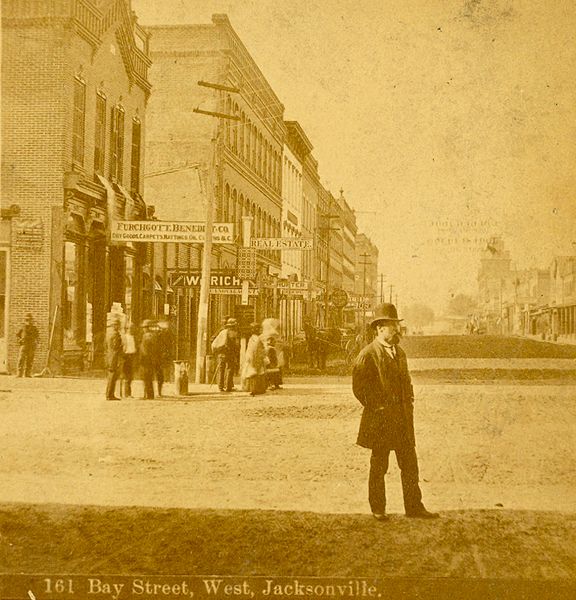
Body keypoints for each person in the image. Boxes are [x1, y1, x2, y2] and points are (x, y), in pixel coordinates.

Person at [352, 303, 439, 521]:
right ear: (379, 328)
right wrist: (377, 406)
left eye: (396, 326)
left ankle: (414, 506)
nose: (396, 330)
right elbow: (359, 388)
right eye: (392, 326)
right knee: (379, 465)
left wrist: (408, 400)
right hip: (380, 420)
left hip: (401, 419)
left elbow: (406, 382)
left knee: (410, 465)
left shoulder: (400, 353)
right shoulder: (368, 354)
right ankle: (378, 508)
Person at [211, 317, 239, 392]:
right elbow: (235, 345)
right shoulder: (233, 333)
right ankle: (228, 387)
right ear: (233, 326)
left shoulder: (222, 332)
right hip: (229, 353)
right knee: (230, 369)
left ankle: (220, 387)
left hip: (221, 353)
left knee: (221, 369)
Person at [241, 322, 267, 396]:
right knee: (256, 374)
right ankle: (255, 390)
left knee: (253, 373)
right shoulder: (257, 339)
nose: (260, 330)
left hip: (251, 358)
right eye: (259, 329)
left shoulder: (252, 338)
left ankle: (254, 389)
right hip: (255, 358)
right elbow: (256, 350)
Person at [105, 319, 123, 401]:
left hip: (110, 357)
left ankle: (109, 394)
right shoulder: (115, 334)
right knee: (113, 377)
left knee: (111, 376)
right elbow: (116, 347)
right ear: (115, 326)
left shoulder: (108, 334)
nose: (119, 326)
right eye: (118, 325)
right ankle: (110, 395)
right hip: (114, 357)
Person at [139, 320, 158, 400]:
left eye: (145, 327)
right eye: (143, 327)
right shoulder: (149, 335)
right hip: (148, 359)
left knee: (147, 377)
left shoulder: (148, 336)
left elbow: (146, 349)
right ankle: (149, 394)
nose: (144, 329)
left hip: (147, 359)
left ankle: (148, 395)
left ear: (148, 328)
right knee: (147, 377)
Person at [16, 313, 39, 377]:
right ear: (25, 320)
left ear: (32, 321)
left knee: (30, 359)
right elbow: (17, 335)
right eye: (27, 320)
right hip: (24, 345)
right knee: (21, 359)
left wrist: (36, 343)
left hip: (31, 345)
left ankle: (28, 373)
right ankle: (19, 373)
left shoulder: (34, 328)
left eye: (30, 320)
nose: (28, 322)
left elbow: (37, 337)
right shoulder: (22, 328)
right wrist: (19, 340)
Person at [155, 320, 174, 397]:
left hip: (162, 356)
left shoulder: (166, 335)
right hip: (158, 356)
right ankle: (158, 392)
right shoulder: (159, 336)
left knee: (160, 375)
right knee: (159, 375)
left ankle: (159, 391)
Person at [122, 323, 138, 398]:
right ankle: (126, 393)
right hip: (126, 357)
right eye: (129, 328)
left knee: (131, 376)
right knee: (126, 376)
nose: (131, 330)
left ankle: (128, 393)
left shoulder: (134, 337)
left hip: (133, 356)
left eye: (132, 328)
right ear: (127, 329)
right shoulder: (123, 337)